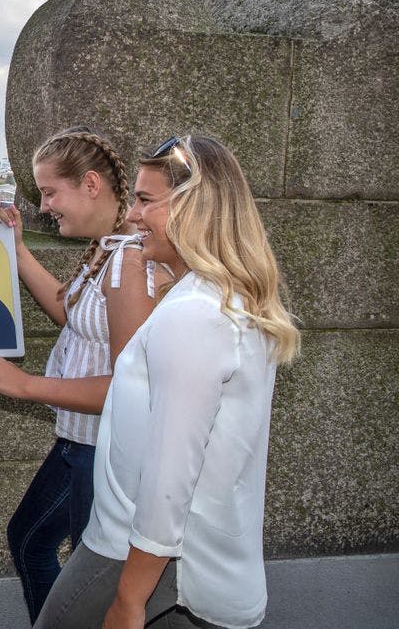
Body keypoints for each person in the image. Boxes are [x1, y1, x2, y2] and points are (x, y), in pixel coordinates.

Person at [34, 135, 301, 629]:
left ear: (193, 208)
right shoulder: (221, 299)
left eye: (145, 200)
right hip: (175, 554)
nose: (133, 215)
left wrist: (129, 599)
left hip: (137, 551)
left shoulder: (196, 315)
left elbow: (169, 474)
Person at [0, 129, 163, 624]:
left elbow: (128, 387)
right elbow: (70, 311)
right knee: (29, 539)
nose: (44, 207)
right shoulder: (107, 249)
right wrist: (17, 251)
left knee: (87, 584)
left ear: (91, 184)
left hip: (102, 451)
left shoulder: (129, 262)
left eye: (50, 192)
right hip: (78, 441)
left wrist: (25, 385)